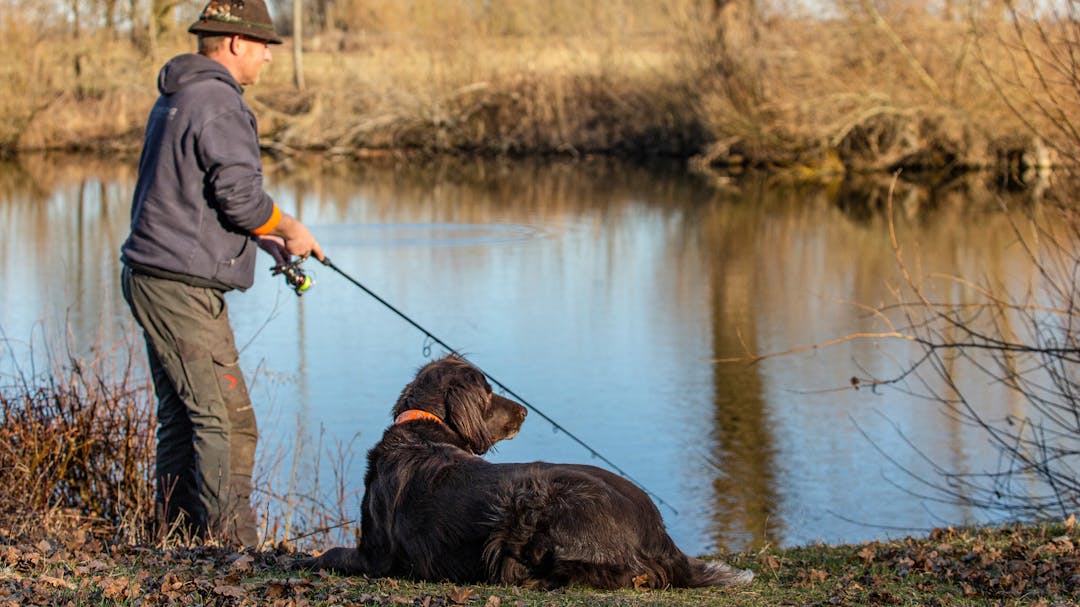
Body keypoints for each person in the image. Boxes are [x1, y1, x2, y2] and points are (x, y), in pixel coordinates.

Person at [120, 0, 322, 547]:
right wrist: (289, 226)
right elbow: (240, 196)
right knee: (228, 424)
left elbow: (197, 195)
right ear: (235, 43)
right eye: (263, 46)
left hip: (157, 276)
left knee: (185, 420)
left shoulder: (182, 95)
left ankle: (179, 540)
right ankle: (233, 551)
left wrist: (262, 237)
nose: (268, 59)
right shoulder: (218, 101)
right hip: (178, 286)